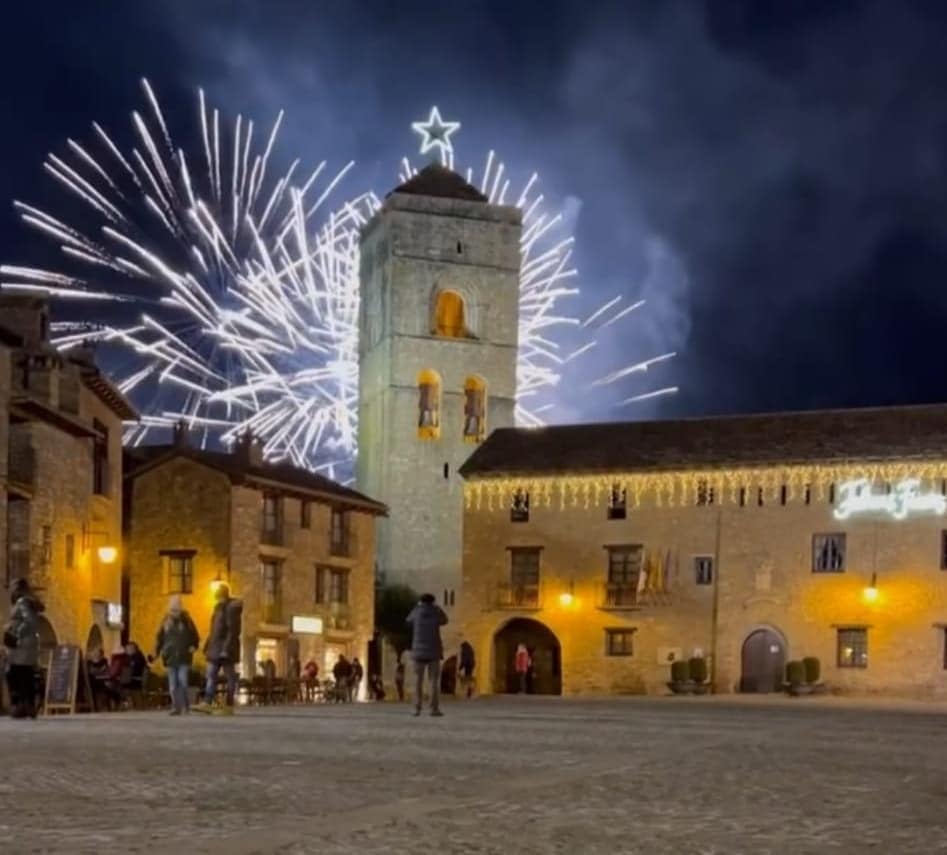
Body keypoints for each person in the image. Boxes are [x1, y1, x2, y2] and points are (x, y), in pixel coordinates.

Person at [196, 583, 243, 714]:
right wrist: (207, 645)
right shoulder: (218, 609)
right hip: (215, 647)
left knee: (229, 677)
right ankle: (207, 702)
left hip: (225, 649)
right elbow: (213, 630)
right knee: (211, 675)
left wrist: (226, 649)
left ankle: (228, 705)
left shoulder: (231, 609)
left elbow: (232, 631)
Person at [3, 578, 44, 719]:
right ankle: (27, 706)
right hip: (26, 645)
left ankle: (22, 705)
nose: (11, 589)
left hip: (21, 645)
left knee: (15, 674)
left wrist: (16, 633)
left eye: (13, 586)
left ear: (18, 588)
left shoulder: (22, 602)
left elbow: (30, 621)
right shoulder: (26, 602)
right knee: (25, 674)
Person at [154, 595, 200, 716]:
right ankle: (176, 707)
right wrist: (157, 653)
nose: (175, 613)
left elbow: (195, 635)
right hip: (170, 656)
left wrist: (194, 646)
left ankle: (185, 706)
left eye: (176, 610)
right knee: (173, 684)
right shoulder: (165, 621)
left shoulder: (187, 621)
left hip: (184, 655)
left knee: (183, 681)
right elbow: (159, 638)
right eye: (172, 610)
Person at [406, 593, 448, 717]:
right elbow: (445, 620)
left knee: (417, 681)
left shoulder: (417, 611)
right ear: (433, 602)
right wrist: (439, 609)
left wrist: (417, 607)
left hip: (418, 652)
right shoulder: (436, 612)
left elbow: (408, 620)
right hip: (434, 651)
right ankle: (433, 709)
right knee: (433, 681)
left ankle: (416, 708)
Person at [87, 646, 120, 711]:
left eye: (97, 653)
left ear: (101, 654)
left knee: (109, 686)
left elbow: (108, 672)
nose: (95, 654)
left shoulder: (105, 661)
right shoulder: (88, 663)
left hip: (103, 682)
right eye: (94, 653)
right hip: (92, 683)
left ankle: (114, 701)